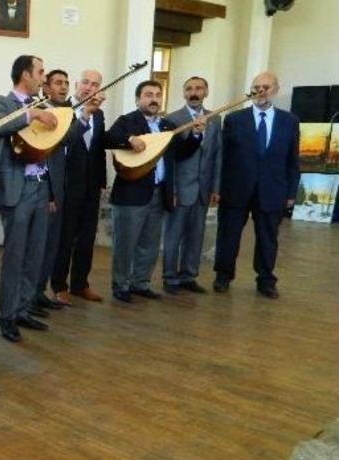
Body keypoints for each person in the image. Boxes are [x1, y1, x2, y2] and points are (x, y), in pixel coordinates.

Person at [106, 80, 204, 303]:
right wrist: (130, 139)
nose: (154, 99)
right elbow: (108, 138)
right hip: (131, 194)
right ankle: (120, 285)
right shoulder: (127, 121)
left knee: (149, 244)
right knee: (125, 244)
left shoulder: (167, 126)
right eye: (148, 94)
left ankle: (140, 282)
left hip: (159, 193)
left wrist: (196, 135)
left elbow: (181, 152)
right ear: (138, 99)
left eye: (158, 95)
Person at [0, 55, 59, 342]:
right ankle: (6, 315)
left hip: (42, 186)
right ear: (25, 75)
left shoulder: (42, 104)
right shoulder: (2, 102)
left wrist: (78, 116)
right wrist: (33, 115)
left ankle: (23, 308)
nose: (43, 78)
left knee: (35, 253)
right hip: (17, 188)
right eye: (40, 72)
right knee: (15, 255)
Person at [213, 72, 300, 299]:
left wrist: (291, 192)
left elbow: (293, 159)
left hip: (272, 190)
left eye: (266, 87)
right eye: (256, 87)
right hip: (236, 189)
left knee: (267, 237)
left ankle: (265, 280)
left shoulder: (289, 121)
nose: (261, 91)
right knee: (228, 235)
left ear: (276, 90)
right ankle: (223, 275)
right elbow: (223, 157)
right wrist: (218, 187)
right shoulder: (234, 119)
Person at [50, 69, 107, 304]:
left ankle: (80, 284)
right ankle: (58, 285)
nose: (88, 88)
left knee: (86, 238)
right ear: (76, 85)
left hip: (91, 186)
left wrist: (102, 182)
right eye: (85, 82)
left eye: (94, 85)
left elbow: (98, 150)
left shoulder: (100, 115)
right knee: (65, 238)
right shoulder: (62, 111)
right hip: (67, 185)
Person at [162, 76, 222, 295]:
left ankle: (189, 275)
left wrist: (216, 188)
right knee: (173, 236)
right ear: (183, 93)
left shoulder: (215, 118)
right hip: (181, 188)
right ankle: (169, 277)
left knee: (196, 236)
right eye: (189, 89)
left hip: (203, 189)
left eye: (198, 88)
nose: (194, 92)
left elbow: (217, 155)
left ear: (206, 91)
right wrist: (173, 191)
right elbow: (171, 160)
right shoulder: (173, 119)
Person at [31, 69, 70, 313]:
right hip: (44, 190)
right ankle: (29, 296)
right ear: (46, 88)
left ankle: (39, 291)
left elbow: (71, 139)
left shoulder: (68, 112)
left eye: (66, 83)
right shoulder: (38, 112)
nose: (64, 87)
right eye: (58, 82)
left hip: (61, 189)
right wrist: (49, 194)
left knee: (51, 247)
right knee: (37, 248)